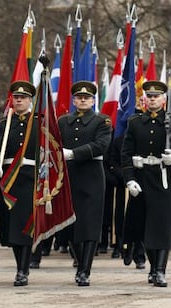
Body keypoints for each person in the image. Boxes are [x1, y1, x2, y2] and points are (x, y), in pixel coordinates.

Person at [121, 80, 171, 287]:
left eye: (156, 96)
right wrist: (130, 179)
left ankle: (160, 270)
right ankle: (152, 267)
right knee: (144, 225)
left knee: (161, 226)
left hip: (164, 180)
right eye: (149, 96)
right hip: (142, 178)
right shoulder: (135, 122)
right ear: (144, 99)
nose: (152, 99)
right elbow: (126, 154)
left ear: (164, 99)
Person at [58, 81, 112, 286]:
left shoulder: (102, 121)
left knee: (89, 223)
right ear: (73, 100)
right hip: (68, 175)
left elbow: (101, 145)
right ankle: (79, 260)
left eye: (87, 97)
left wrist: (73, 153)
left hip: (91, 176)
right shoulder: (63, 121)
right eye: (79, 97)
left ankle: (84, 270)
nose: (82, 100)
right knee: (70, 223)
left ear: (92, 100)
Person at [0, 80, 37, 287]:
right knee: (11, 226)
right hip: (8, 179)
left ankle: (22, 270)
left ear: (29, 100)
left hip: (29, 177)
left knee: (25, 226)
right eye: (16, 97)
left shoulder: (38, 122)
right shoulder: (4, 123)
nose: (19, 101)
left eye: (23, 97)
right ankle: (20, 264)